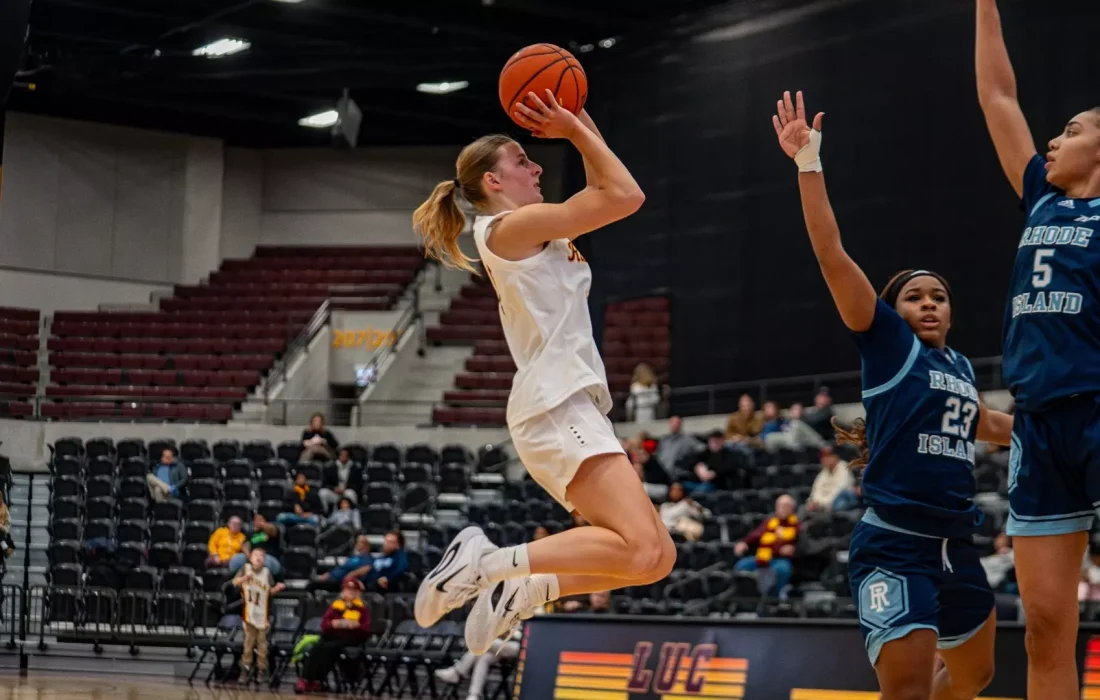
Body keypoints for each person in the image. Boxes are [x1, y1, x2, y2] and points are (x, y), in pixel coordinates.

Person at [410, 89, 673, 656]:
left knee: (654, 559)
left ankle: (525, 591)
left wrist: (577, 118)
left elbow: (607, 184)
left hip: (570, 406)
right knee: (640, 547)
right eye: (521, 161)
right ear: (493, 182)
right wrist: (575, 131)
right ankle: (484, 563)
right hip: (555, 404)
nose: (534, 166)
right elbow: (626, 195)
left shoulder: (537, 227)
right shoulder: (508, 230)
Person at [774, 89, 1014, 699]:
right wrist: (809, 164)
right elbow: (831, 254)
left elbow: (985, 423)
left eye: (939, 297)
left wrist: (1054, 420)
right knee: (903, 689)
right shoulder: (886, 343)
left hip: (955, 543)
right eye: (915, 296)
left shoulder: (958, 363)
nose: (929, 303)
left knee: (977, 674)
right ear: (893, 307)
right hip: (895, 544)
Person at [975, 2, 1100, 697]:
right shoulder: (1040, 199)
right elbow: (998, 96)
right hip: (1038, 426)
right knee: (1049, 629)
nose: (1053, 140)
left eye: (1072, 130)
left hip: (1097, 409)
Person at [295, 578, 371, 695]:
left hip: (350, 639)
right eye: (347, 590)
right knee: (316, 647)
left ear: (358, 593)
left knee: (330, 648)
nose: (349, 593)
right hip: (332, 636)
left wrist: (355, 626)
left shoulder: (362, 609)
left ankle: (318, 679)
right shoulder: (335, 606)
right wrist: (333, 623)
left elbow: (366, 630)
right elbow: (324, 624)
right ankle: (306, 679)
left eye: (352, 591)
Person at [232, 547, 285, 683]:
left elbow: (269, 592)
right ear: (250, 558)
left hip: (262, 613)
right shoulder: (245, 568)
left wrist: (277, 588)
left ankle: (261, 670)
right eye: (256, 554)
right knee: (248, 645)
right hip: (249, 613)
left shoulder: (267, 573)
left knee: (262, 645)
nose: (259, 557)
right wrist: (245, 578)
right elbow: (234, 582)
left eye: (262, 555)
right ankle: (245, 670)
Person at [733, 494, 800, 598]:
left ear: (792, 508)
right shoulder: (770, 521)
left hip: (781, 559)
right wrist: (744, 543)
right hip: (763, 556)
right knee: (741, 566)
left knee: (782, 570)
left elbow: (802, 544)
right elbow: (756, 534)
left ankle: (774, 598)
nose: (782, 508)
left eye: (786, 506)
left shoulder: (797, 524)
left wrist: (794, 549)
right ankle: (746, 597)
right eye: (780, 505)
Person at [806, 446, 854, 514]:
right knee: (804, 509)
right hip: (823, 505)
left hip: (840, 503)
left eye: (828, 456)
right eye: (823, 457)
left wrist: (820, 503)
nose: (825, 459)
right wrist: (814, 502)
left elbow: (839, 492)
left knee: (839, 504)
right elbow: (816, 489)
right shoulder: (824, 472)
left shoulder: (844, 469)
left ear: (836, 457)